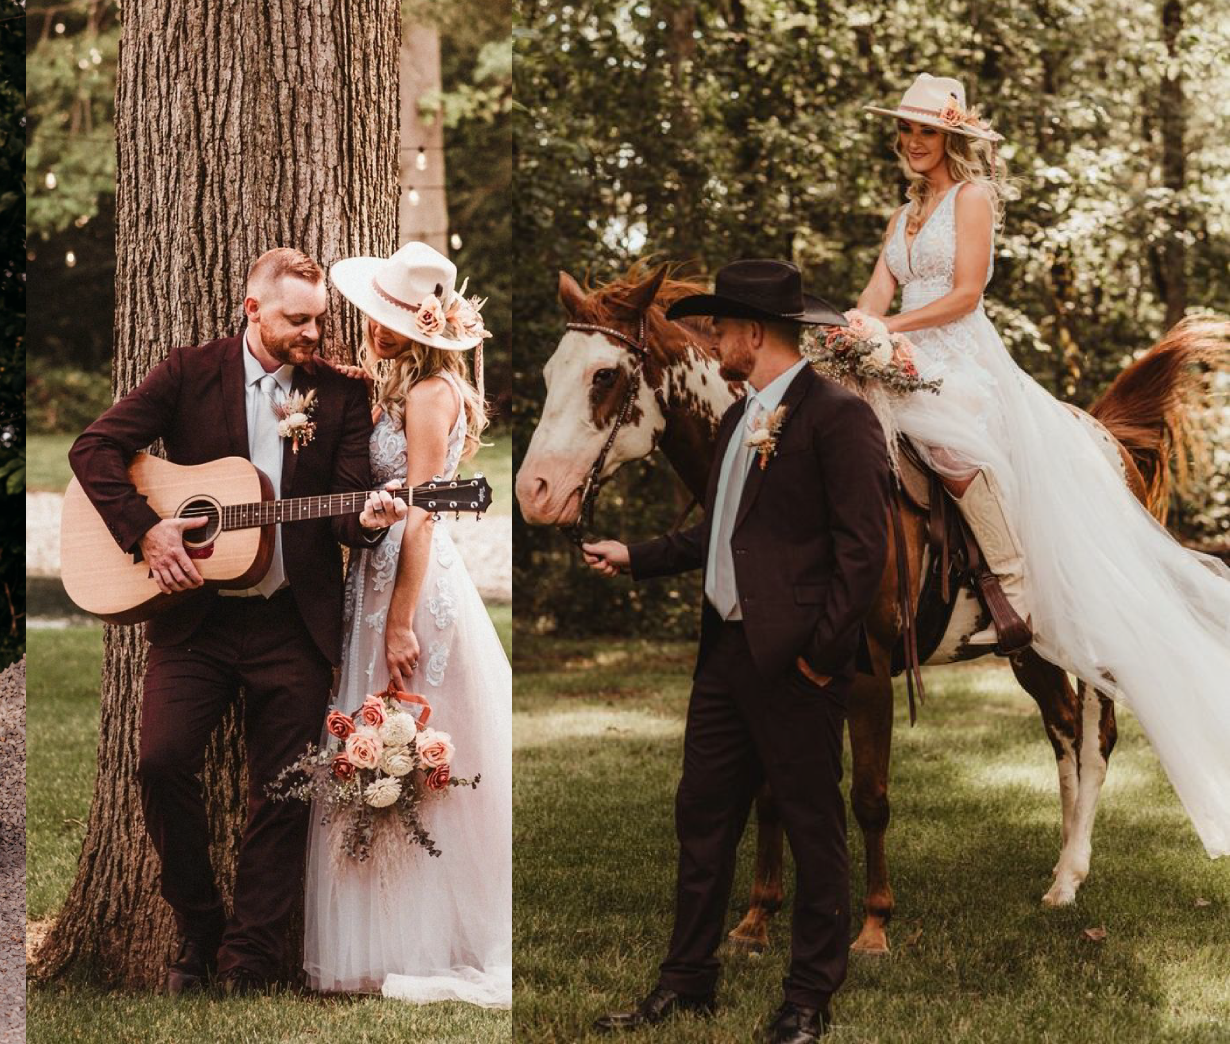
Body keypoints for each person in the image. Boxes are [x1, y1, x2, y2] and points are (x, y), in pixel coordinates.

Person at [852, 74, 1230, 856]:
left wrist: (890, 331)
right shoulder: (901, 213)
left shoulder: (973, 200)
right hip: (898, 353)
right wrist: (850, 330)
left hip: (959, 360)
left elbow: (962, 296)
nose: (914, 142)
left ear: (953, 137)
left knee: (953, 443)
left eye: (927, 131)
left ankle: (1008, 577)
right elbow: (873, 293)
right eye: (906, 130)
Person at [69, 247, 407, 995]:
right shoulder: (190, 371)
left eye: (319, 319)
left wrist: (375, 520)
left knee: (281, 792)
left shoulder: (341, 396)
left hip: (293, 624)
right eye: (296, 320)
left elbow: (349, 517)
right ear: (252, 310)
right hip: (196, 622)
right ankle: (197, 926)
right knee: (159, 763)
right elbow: (93, 447)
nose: (313, 333)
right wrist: (146, 531)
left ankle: (248, 962)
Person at [579, 260, 893, 1044]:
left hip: (795, 664)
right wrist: (638, 554)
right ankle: (686, 983)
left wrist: (823, 657)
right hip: (722, 655)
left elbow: (864, 552)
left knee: (815, 830)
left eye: (718, 328)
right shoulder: (735, 418)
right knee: (703, 819)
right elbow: (717, 532)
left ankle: (807, 1002)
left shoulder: (838, 417)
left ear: (753, 334)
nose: (709, 338)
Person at [303, 241, 511, 1007]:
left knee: (414, 744)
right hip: (378, 570)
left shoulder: (429, 396)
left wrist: (398, 622)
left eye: (394, 320)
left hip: (410, 585)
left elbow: (424, 519)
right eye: (376, 314)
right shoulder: (405, 388)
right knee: (386, 741)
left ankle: (428, 935)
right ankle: (390, 923)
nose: (376, 328)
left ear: (428, 327)